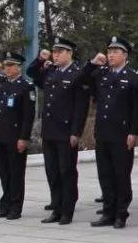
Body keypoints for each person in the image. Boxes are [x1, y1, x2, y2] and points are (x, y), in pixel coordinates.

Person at [81, 36, 138, 229]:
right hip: (104, 132)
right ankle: (108, 212)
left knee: (121, 175)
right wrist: (92, 64)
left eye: (115, 52)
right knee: (105, 174)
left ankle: (121, 213)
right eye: (109, 51)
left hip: (122, 134)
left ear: (125, 55)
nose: (111, 55)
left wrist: (133, 132)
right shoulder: (102, 74)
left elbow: (137, 108)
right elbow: (81, 81)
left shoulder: (133, 77)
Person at [27, 36, 90, 225]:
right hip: (50, 130)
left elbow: (81, 107)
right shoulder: (51, 71)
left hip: (66, 131)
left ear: (69, 53)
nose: (55, 55)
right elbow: (31, 73)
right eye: (54, 52)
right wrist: (39, 60)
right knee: (52, 171)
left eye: (59, 52)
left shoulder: (77, 73)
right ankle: (56, 207)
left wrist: (76, 132)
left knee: (66, 171)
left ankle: (67, 210)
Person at [0, 51, 36, 220]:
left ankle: (16, 207)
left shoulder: (26, 86)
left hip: (15, 136)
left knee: (16, 173)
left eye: (11, 65)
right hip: (0, 135)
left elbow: (28, 116)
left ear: (19, 67)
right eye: (6, 65)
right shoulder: (1, 83)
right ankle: (5, 205)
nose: (7, 68)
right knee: (4, 173)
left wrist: (24, 137)